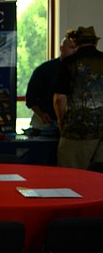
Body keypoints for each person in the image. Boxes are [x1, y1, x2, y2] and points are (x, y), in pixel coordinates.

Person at [54, 25, 103, 169]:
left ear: (75, 43)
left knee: (71, 177)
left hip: (78, 129)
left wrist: (62, 122)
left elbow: (59, 99)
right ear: (95, 42)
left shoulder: (69, 63)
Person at [25, 33, 77, 130]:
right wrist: (41, 114)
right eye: (71, 47)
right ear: (61, 48)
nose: (74, 51)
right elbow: (31, 98)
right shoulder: (44, 70)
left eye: (76, 48)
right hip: (45, 120)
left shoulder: (80, 71)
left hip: (71, 122)